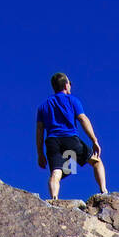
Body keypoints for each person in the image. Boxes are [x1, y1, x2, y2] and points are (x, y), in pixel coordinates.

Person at [36, 72, 107, 200]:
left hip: (52, 141)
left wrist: (40, 153)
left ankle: (54, 199)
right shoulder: (72, 100)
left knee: (56, 172)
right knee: (97, 162)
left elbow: (39, 131)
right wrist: (94, 140)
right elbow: (83, 119)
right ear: (66, 85)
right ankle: (104, 192)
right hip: (69, 138)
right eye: (70, 83)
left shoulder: (43, 106)